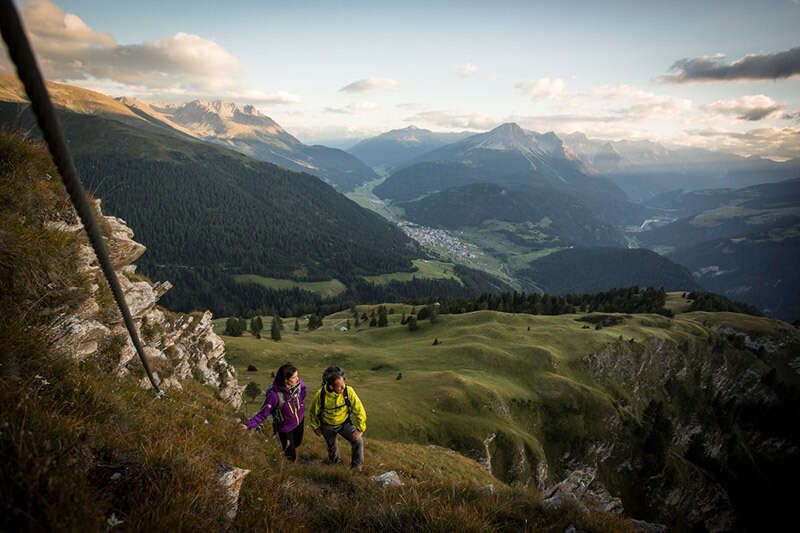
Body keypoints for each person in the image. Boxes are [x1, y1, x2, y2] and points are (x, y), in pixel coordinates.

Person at [242, 363, 306, 462]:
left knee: (297, 443)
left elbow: (303, 390)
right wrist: (248, 425)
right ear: (285, 379)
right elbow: (262, 414)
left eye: (297, 376)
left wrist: (300, 405)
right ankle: (288, 470)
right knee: (290, 455)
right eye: (294, 377)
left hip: (299, 421)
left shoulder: (298, 384)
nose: (298, 379)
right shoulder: (274, 396)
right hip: (285, 429)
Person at [308, 366, 367, 471]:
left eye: (343, 384)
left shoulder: (349, 391)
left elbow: (359, 410)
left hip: (344, 423)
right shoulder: (320, 395)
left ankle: (356, 468)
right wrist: (315, 427)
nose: (343, 388)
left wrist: (360, 428)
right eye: (340, 387)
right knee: (332, 447)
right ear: (330, 386)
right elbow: (312, 413)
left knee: (358, 441)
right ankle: (335, 466)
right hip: (327, 425)